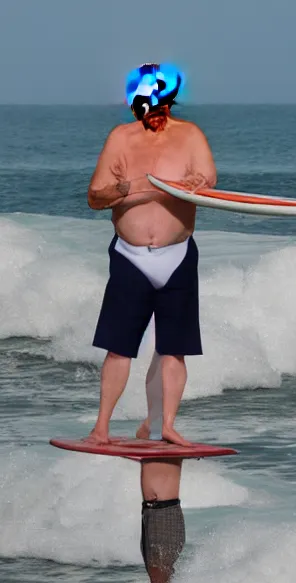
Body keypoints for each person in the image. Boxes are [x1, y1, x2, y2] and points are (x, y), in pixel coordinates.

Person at [87, 62, 217, 446]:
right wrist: (125, 189)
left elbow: (208, 179)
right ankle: (101, 428)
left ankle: (167, 425)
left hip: (177, 257)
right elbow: (95, 197)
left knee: (174, 351)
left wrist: (196, 183)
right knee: (119, 348)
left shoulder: (190, 135)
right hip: (130, 257)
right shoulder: (121, 139)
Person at [140, 458, 185, 583]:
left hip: (165, 512)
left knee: (159, 571)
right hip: (149, 512)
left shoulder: (171, 444)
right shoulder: (149, 441)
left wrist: (101, 435)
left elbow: (160, 435)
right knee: (154, 573)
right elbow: (141, 435)